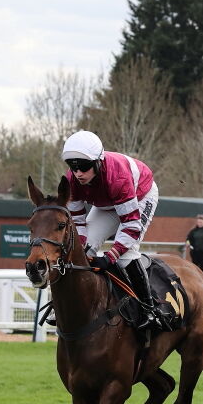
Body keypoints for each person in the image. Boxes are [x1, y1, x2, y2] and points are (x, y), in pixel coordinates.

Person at [60, 130, 162, 329]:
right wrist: (82, 247)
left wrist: (110, 257)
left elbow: (131, 225)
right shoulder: (71, 181)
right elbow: (78, 222)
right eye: (73, 167)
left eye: (84, 167)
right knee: (82, 251)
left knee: (126, 255)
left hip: (140, 196)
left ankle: (149, 309)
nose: (78, 173)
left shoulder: (117, 178)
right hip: (106, 204)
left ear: (98, 162)